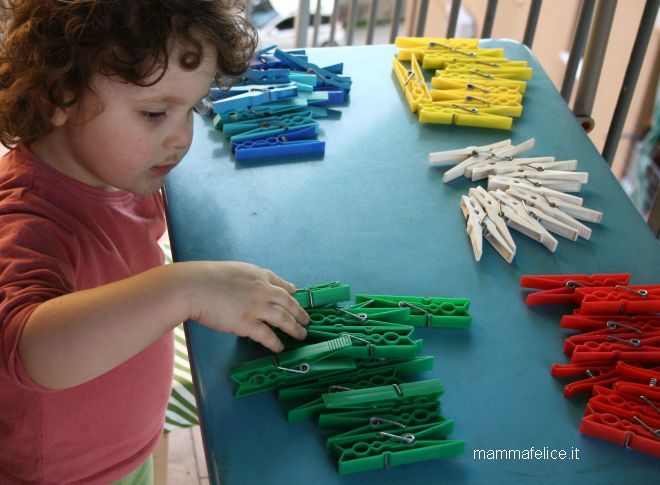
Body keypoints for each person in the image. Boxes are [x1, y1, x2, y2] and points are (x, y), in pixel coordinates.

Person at [0, 1, 310, 483]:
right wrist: (184, 289)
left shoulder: (120, 174)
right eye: (154, 113)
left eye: (192, 108)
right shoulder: (27, 217)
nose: (181, 138)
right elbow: (30, 349)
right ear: (62, 95)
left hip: (127, 452)